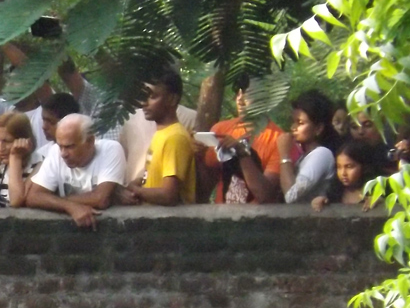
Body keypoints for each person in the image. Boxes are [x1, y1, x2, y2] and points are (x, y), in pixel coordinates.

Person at [21, 114, 126, 229]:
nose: (63, 154)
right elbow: (33, 197)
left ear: (90, 141)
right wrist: (69, 206)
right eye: (60, 146)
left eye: (70, 147)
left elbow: (100, 199)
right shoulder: (55, 151)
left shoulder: (110, 149)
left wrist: (53, 200)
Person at [116, 71, 196, 206]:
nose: (143, 103)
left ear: (172, 99)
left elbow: (169, 195)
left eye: (152, 97)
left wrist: (136, 190)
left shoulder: (175, 137)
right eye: (143, 96)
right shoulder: (162, 133)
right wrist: (138, 182)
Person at [212, 75, 285, 204]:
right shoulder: (220, 130)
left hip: (257, 219)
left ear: (263, 97)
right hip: (219, 216)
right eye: (237, 93)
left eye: (247, 93)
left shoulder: (278, 139)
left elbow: (265, 195)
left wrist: (243, 153)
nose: (240, 99)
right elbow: (205, 179)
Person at [280, 90, 340, 203]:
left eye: (300, 123)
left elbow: (291, 196)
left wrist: (284, 155)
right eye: (293, 122)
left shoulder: (322, 154)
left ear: (318, 128)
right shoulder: (305, 155)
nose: (293, 127)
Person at [312, 138, 379, 212]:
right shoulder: (334, 193)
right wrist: (319, 201)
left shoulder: (377, 191)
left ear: (364, 166)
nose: (343, 173)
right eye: (339, 167)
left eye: (349, 167)